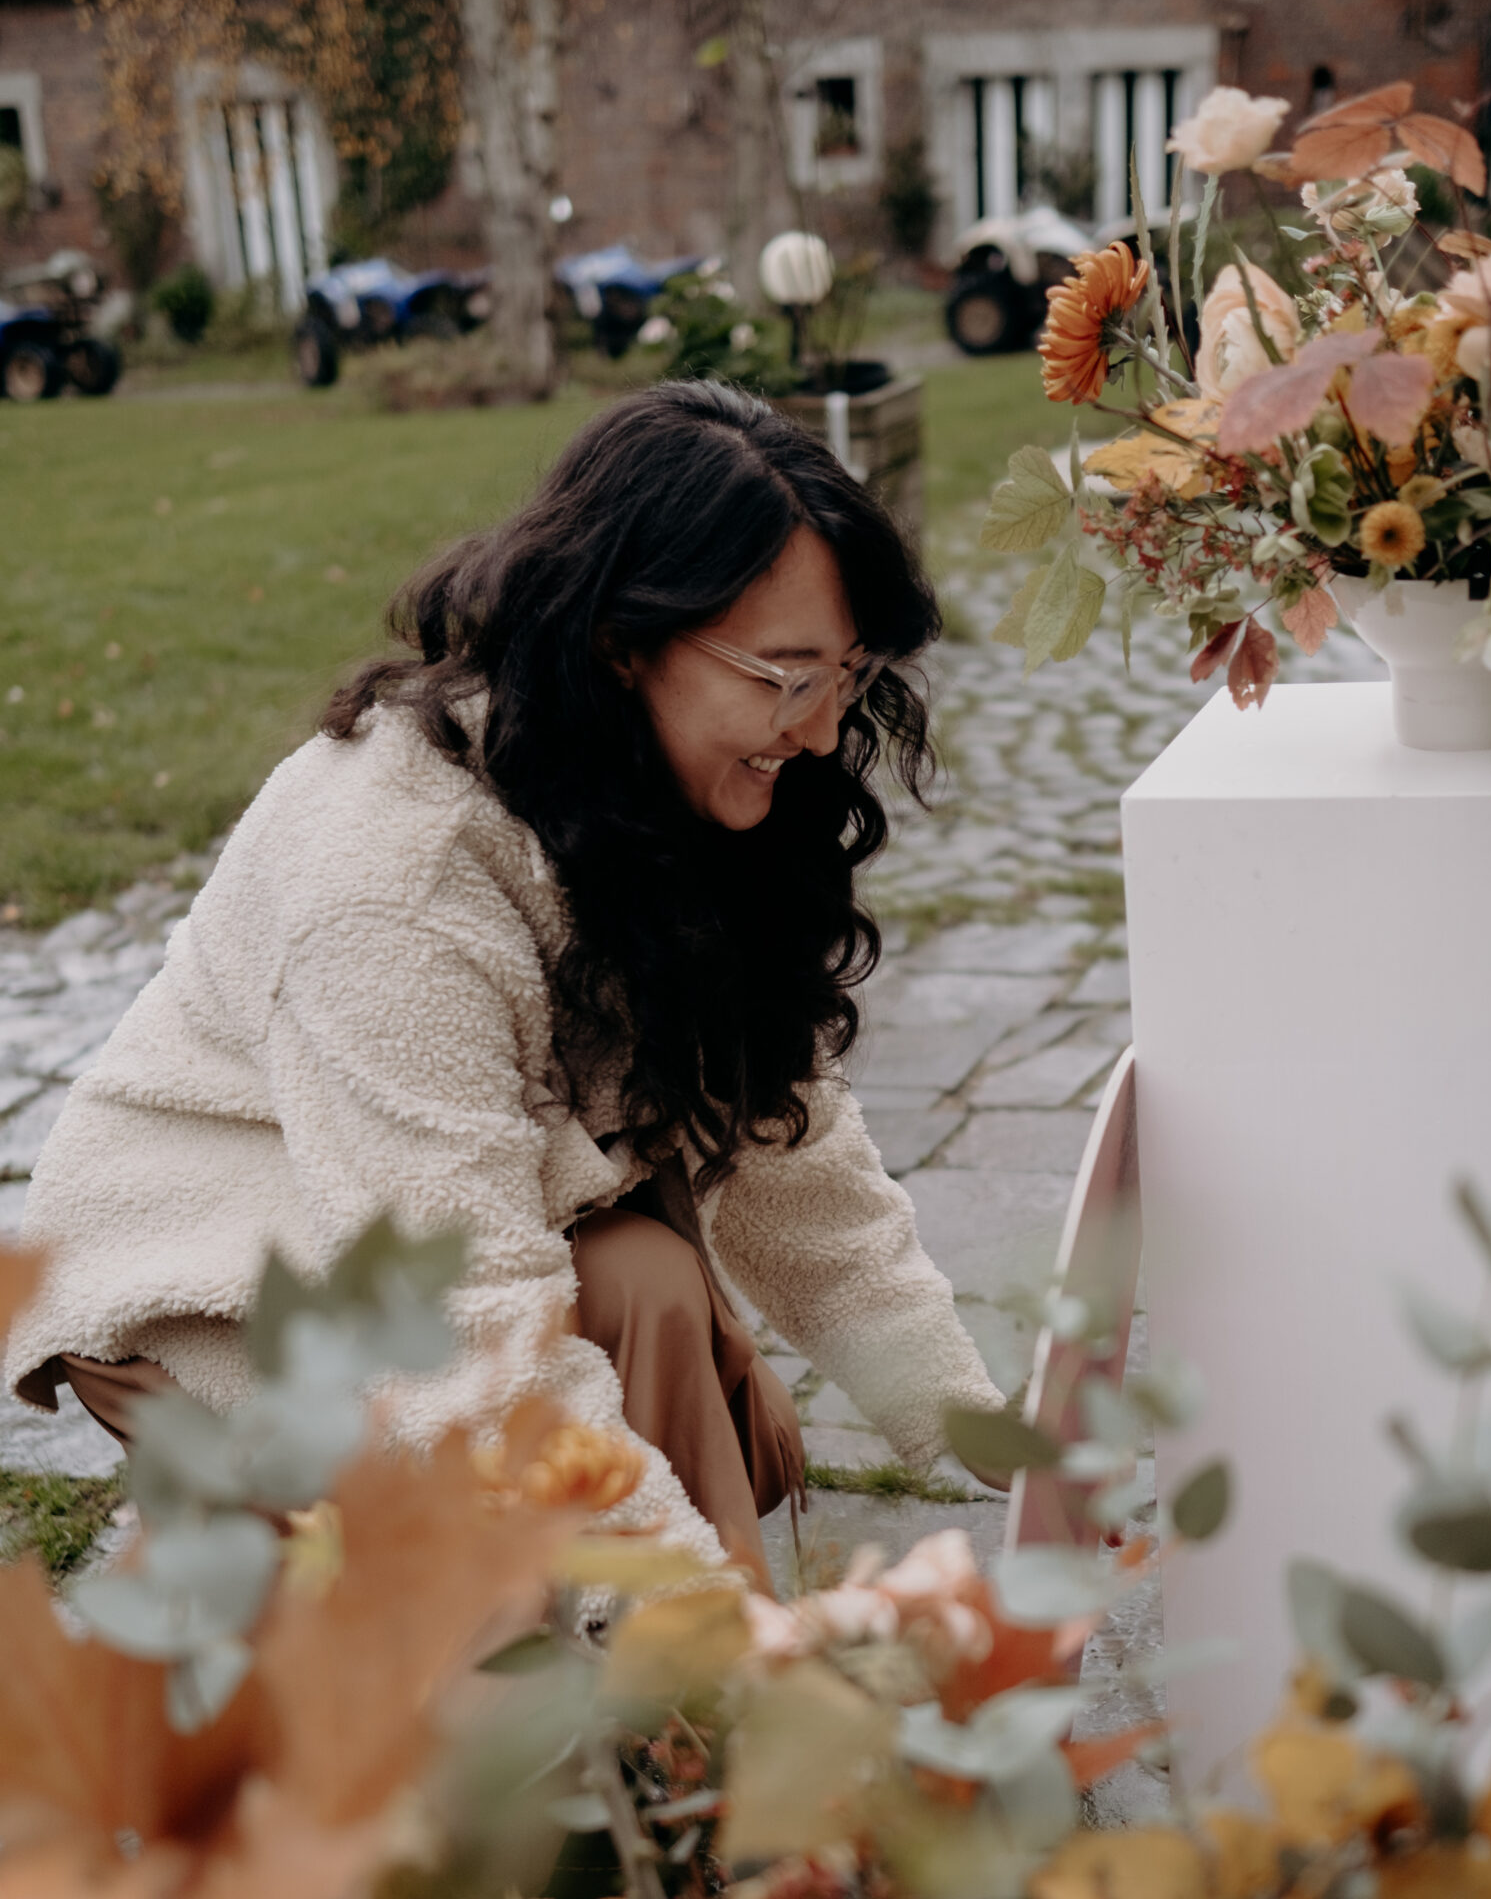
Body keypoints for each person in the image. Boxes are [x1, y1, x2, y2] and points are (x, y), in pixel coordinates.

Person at [5, 380, 1005, 1584]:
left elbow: (799, 1167)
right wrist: (687, 1611)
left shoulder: (671, 788)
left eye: (847, 671)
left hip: (427, 1208)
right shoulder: (397, 885)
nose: (823, 728)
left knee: (648, 1289)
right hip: (214, 1263)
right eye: (785, 677)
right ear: (623, 641)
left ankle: (674, 1682)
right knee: (601, 1352)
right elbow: (469, 1344)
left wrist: (989, 1436)